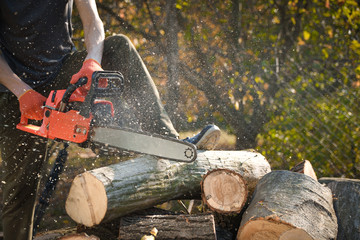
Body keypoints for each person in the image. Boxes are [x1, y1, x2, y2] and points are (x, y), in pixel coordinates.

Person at [0, 0, 220, 239]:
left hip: (64, 72)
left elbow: (93, 21)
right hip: (13, 90)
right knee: (20, 190)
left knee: (119, 47)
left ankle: (168, 140)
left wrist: (92, 62)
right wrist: (21, 90)